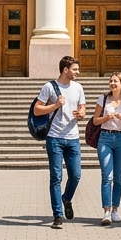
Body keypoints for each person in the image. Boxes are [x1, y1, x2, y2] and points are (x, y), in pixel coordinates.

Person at [33, 55, 86, 228]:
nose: (78, 72)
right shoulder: (49, 87)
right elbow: (37, 109)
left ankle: (66, 198)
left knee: (76, 175)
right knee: (56, 177)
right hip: (54, 138)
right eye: (75, 69)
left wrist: (81, 113)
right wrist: (55, 105)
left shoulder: (78, 87)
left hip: (73, 139)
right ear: (65, 70)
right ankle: (57, 215)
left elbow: (83, 107)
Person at [92, 72, 121, 225]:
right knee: (106, 176)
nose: (112, 84)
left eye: (115, 81)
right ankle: (106, 211)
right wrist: (107, 118)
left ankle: (116, 209)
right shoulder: (103, 99)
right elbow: (95, 120)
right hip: (105, 138)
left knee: (119, 178)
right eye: (110, 81)